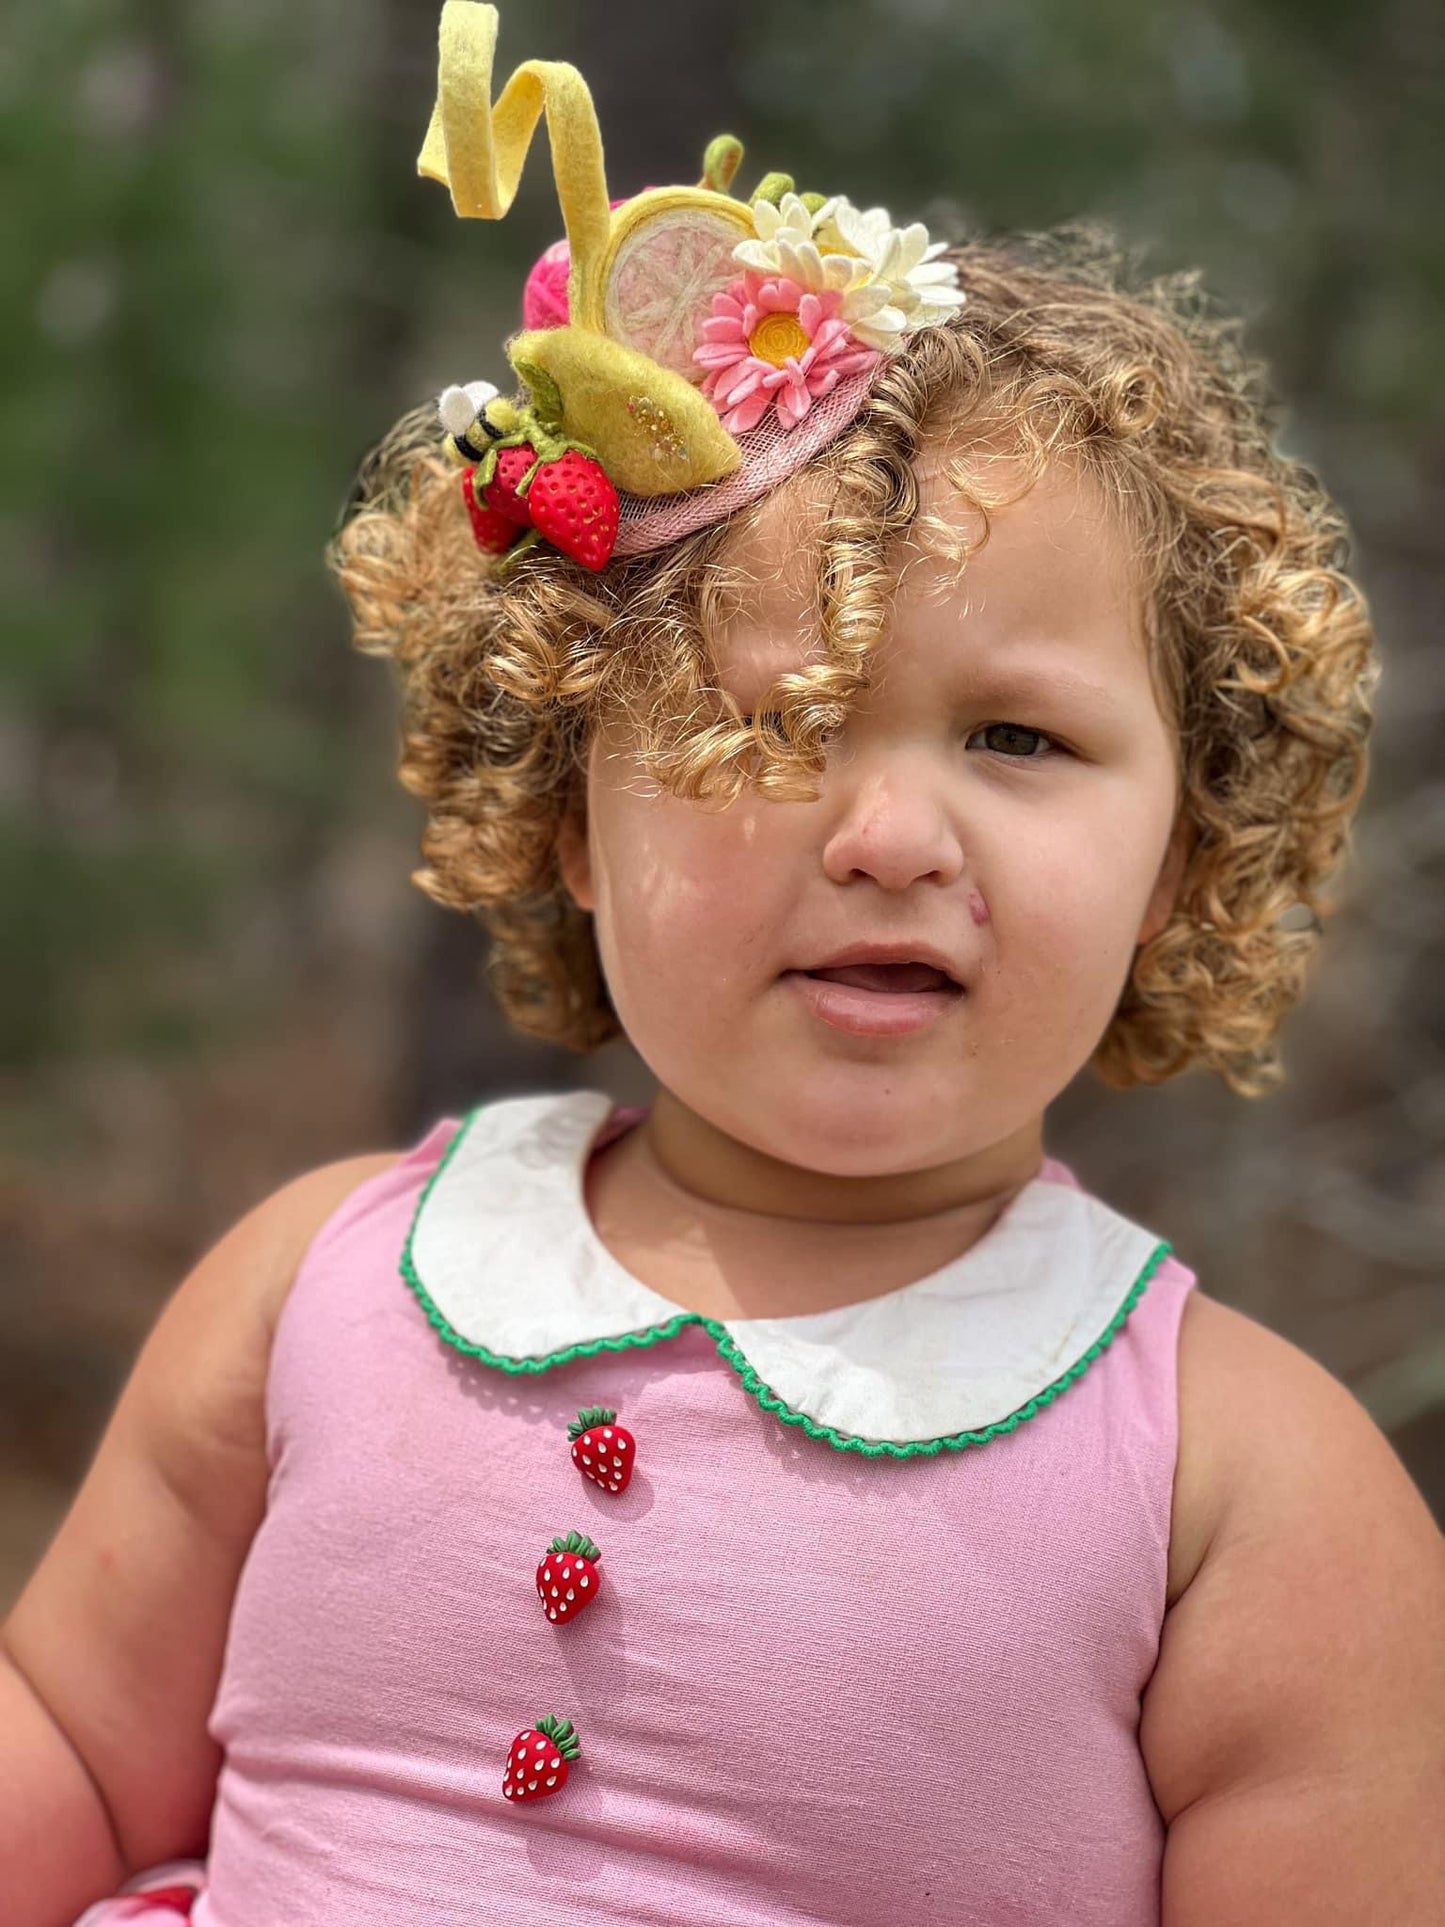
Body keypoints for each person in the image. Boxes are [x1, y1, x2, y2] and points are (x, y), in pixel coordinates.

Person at [5, 3, 1443, 1922]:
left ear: (1184, 857)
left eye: (1017, 741)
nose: (890, 834)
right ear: (569, 814)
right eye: (772, 730)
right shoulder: (320, 1285)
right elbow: (74, 1754)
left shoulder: (1245, 1490)